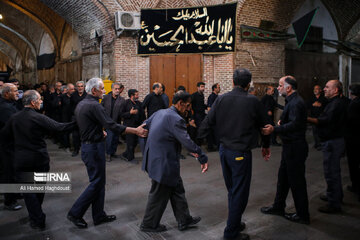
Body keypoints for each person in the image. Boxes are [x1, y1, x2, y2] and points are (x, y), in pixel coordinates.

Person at [199, 68, 271, 240]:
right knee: (239, 192)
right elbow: (265, 126)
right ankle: (231, 233)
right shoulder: (253, 101)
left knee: (232, 189)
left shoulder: (221, 99)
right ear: (249, 84)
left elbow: (207, 122)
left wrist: (196, 148)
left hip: (224, 151)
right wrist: (266, 145)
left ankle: (235, 222)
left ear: (232, 82)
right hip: (240, 154)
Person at [67, 78, 148, 229]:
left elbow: (88, 123)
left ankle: (98, 215)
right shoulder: (94, 105)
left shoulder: (83, 103)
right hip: (93, 149)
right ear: (94, 91)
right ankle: (75, 212)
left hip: (90, 146)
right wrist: (135, 130)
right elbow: (111, 125)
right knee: (97, 183)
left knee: (99, 183)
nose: (105, 91)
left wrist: (98, 131)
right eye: (102, 89)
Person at [0, 90, 75, 230]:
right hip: (39, 159)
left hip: (21, 159)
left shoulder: (14, 117)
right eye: (40, 99)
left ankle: (37, 217)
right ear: (33, 102)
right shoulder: (38, 117)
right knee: (39, 188)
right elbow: (59, 127)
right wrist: (78, 122)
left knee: (28, 191)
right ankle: (38, 216)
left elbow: (4, 136)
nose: (41, 101)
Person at [140, 90, 208, 233]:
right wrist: (202, 156)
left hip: (156, 159)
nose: (189, 109)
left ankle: (184, 220)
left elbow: (143, 126)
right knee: (159, 193)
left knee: (176, 188)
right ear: (180, 104)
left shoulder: (160, 112)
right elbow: (188, 143)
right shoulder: (176, 119)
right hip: (163, 163)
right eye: (188, 106)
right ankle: (148, 224)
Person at [261, 76, 310, 225]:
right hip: (289, 147)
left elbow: (295, 125)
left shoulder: (296, 102)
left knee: (297, 182)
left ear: (288, 88)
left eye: (280, 85)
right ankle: (278, 206)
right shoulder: (292, 101)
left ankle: (303, 215)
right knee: (283, 179)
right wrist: (283, 122)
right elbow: (292, 121)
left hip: (295, 147)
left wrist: (275, 128)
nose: (278, 88)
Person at [308, 80, 348, 213]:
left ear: (336, 90)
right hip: (335, 140)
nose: (324, 89)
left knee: (331, 172)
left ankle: (334, 204)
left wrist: (306, 118)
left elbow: (323, 120)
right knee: (333, 171)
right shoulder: (336, 102)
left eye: (327, 87)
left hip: (333, 142)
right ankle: (336, 196)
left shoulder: (336, 104)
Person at [0, 83, 22, 211]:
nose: (17, 93)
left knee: (14, 171)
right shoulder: (4, 108)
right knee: (8, 173)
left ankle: (15, 193)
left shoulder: (10, 105)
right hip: (6, 146)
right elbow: (15, 125)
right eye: (15, 91)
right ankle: (9, 201)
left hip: (12, 144)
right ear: (7, 93)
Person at [101, 82, 126, 162]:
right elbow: (101, 109)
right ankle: (108, 154)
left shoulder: (122, 100)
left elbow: (122, 112)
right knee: (109, 138)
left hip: (116, 122)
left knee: (115, 139)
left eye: (118, 89)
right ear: (112, 89)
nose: (117, 90)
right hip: (107, 122)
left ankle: (112, 152)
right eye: (115, 89)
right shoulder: (106, 98)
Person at [345, 84, 360, 201]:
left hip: (354, 138)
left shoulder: (354, 104)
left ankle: (356, 186)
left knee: (354, 163)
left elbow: (349, 121)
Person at [121, 89, 145, 163]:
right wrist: (130, 113)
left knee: (134, 142)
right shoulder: (126, 103)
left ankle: (125, 154)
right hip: (129, 126)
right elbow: (121, 115)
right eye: (136, 95)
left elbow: (142, 114)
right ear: (132, 95)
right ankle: (130, 158)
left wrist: (143, 123)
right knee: (130, 142)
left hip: (137, 126)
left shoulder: (139, 103)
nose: (138, 96)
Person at [307, 85, 327, 150]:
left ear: (320, 90)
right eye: (314, 89)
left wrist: (320, 105)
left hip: (321, 118)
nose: (315, 90)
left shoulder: (324, 99)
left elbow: (326, 108)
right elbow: (307, 106)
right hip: (313, 117)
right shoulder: (311, 99)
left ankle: (321, 144)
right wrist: (313, 104)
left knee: (320, 131)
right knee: (314, 131)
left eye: (317, 89)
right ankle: (317, 143)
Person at [70, 81, 87, 157]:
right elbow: (70, 106)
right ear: (76, 87)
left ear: (84, 87)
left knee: (84, 134)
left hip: (84, 118)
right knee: (75, 134)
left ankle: (85, 150)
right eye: (79, 86)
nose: (80, 88)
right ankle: (76, 150)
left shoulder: (87, 95)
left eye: (81, 86)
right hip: (75, 117)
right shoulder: (73, 95)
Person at [60, 83, 75, 151]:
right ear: (67, 90)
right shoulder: (62, 96)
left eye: (73, 89)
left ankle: (73, 146)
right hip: (65, 116)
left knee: (73, 132)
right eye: (71, 89)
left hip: (72, 116)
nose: (73, 90)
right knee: (65, 132)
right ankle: (66, 145)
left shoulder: (75, 96)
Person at [206, 83, 220, 151]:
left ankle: (216, 145)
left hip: (217, 118)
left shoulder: (217, 96)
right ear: (214, 89)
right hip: (213, 118)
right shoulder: (211, 97)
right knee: (213, 132)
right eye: (218, 87)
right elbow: (209, 108)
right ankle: (210, 147)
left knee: (216, 132)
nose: (219, 88)